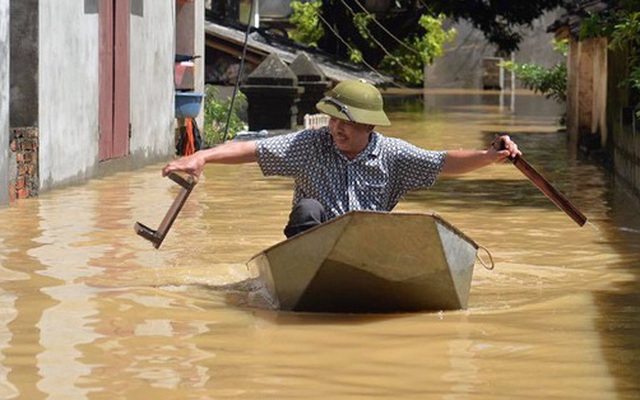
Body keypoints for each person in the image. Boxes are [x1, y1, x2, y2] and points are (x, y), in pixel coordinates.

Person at [162, 80, 521, 238]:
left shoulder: (392, 154)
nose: (336, 129)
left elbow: (443, 161)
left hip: (366, 245)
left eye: (346, 123)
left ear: (368, 126)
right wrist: (203, 157)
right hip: (312, 246)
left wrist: (489, 157)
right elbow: (254, 150)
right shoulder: (311, 144)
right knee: (308, 209)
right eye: (333, 120)